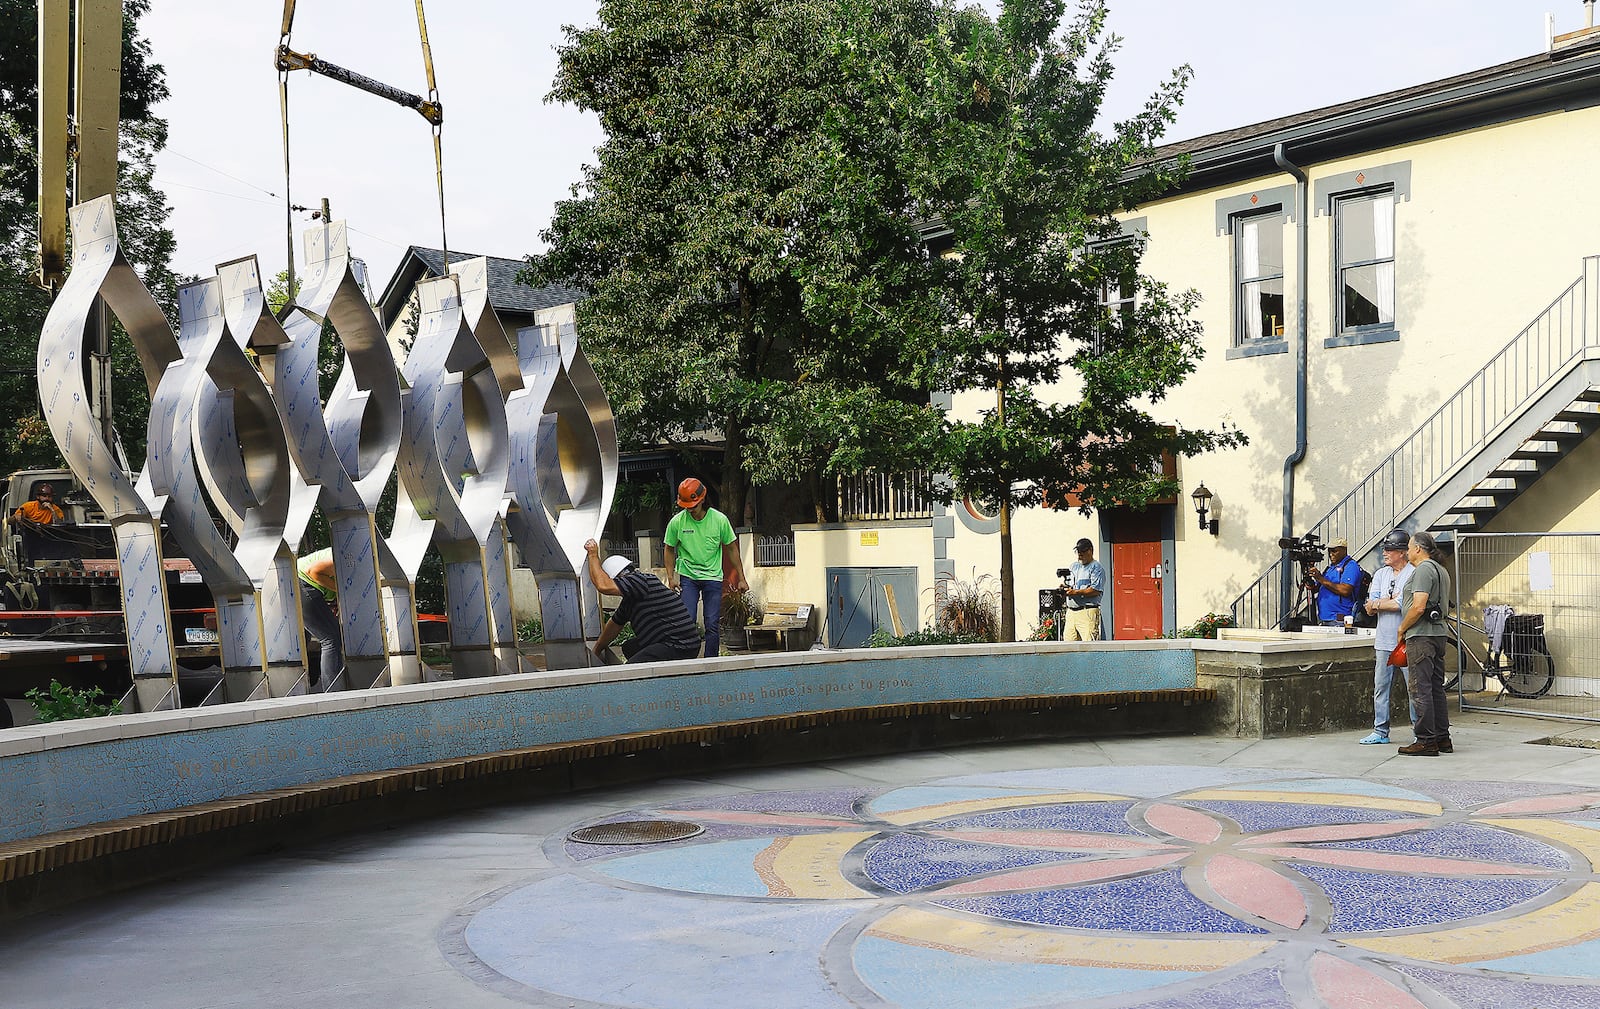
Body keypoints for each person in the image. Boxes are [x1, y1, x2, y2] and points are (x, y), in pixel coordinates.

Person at [663, 477, 748, 659]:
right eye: (685, 505)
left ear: (702, 499)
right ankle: (686, 659)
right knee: (687, 621)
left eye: (692, 504)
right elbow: (669, 549)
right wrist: (670, 577)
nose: (689, 508)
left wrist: (741, 577)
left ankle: (711, 662)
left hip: (712, 577)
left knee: (711, 623)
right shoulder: (677, 522)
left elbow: (732, 548)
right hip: (688, 577)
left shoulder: (719, 520)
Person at [585, 539, 702, 664]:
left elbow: (603, 586)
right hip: (670, 642)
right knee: (630, 647)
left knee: (632, 670)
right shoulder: (631, 597)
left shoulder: (640, 581)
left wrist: (593, 554)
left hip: (680, 645)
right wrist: (597, 649)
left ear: (620, 576)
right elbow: (614, 625)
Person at [1397, 531, 1452, 756]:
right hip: (1439, 633)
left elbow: (1419, 606)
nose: (1407, 552)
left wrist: (1402, 628)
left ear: (1418, 549)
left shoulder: (1423, 570)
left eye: (1409, 548)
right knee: (1436, 688)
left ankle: (1426, 740)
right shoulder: (1441, 570)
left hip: (1421, 635)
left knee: (1420, 688)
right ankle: (1442, 738)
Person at [1358, 528, 1415, 744]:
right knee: (1381, 686)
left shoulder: (1412, 573)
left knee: (1413, 688)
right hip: (1383, 641)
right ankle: (1380, 730)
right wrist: (1383, 603)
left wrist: (1380, 604)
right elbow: (1368, 607)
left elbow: (1402, 605)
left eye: (1389, 549)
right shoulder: (1380, 574)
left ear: (1401, 552)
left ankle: (1419, 730)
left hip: (1405, 640)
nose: (1385, 553)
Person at [297, 547, 341, 689]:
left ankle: (302, 685)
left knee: (305, 638)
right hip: (303, 580)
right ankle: (333, 693)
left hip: (300, 580)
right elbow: (314, 571)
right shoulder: (343, 557)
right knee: (331, 638)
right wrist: (341, 590)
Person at [1062, 538, 1105, 641]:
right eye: (1078, 551)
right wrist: (1065, 588)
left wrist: (1075, 592)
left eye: (1082, 551)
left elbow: (1096, 590)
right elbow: (1072, 585)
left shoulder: (1096, 567)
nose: (1080, 554)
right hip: (1071, 612)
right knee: (1068, 645)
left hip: (1087, 611)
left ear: (1090, 551)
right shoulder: (1074, 566)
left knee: (1089, 646)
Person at [1312, 537, 1362, 626]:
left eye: (1334, 551)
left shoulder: (1351, 566)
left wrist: (1320, 578)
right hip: (1324, 618)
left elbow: (1345, 590)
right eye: (1329, 551)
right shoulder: (1330, 568)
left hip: (1339, 620)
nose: (1331, 554)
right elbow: (1318, 587)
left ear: (1344, 550)